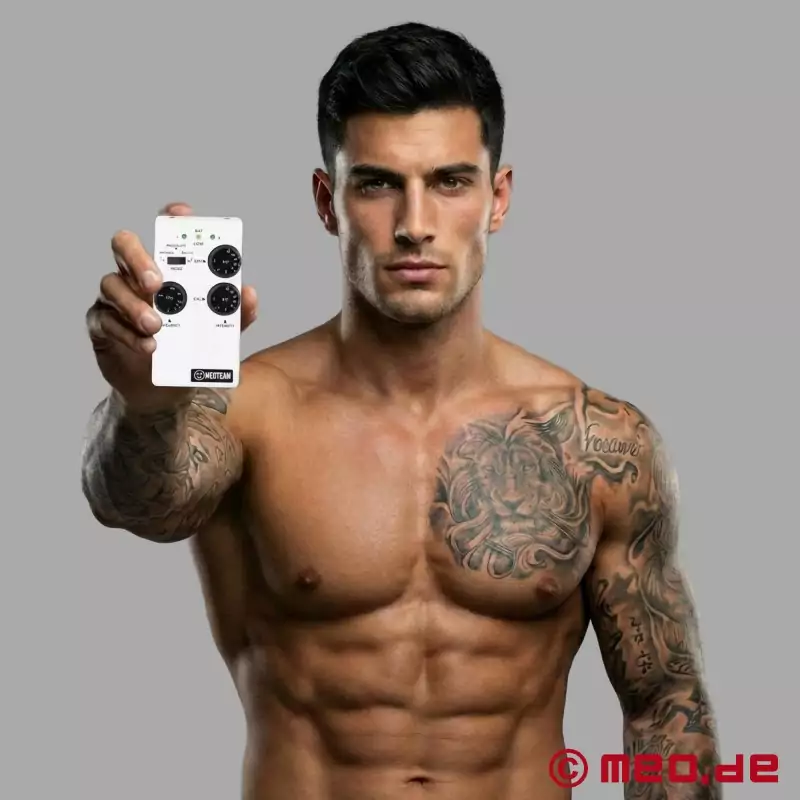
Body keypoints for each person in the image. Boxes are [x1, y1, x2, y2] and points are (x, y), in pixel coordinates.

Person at [81, 21, 721, 800]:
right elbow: (137, 502)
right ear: (328, 202)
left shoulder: (596, 441)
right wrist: (147, 404)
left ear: (498, 197)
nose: (414, 224)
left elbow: (663, 704)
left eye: (450, 181)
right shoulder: (251, 413)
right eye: (377, 183)